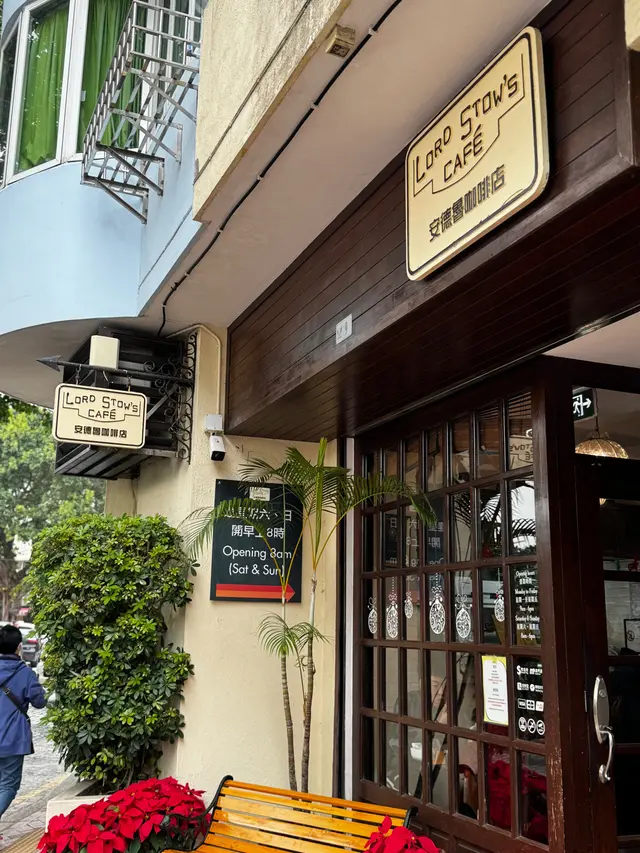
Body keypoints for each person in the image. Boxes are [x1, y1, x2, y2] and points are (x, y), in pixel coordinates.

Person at [0, 625, 46, 822]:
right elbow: (40, 702)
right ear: (19, 646)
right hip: (13, 738)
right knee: (8, 785)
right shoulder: (25, 673)